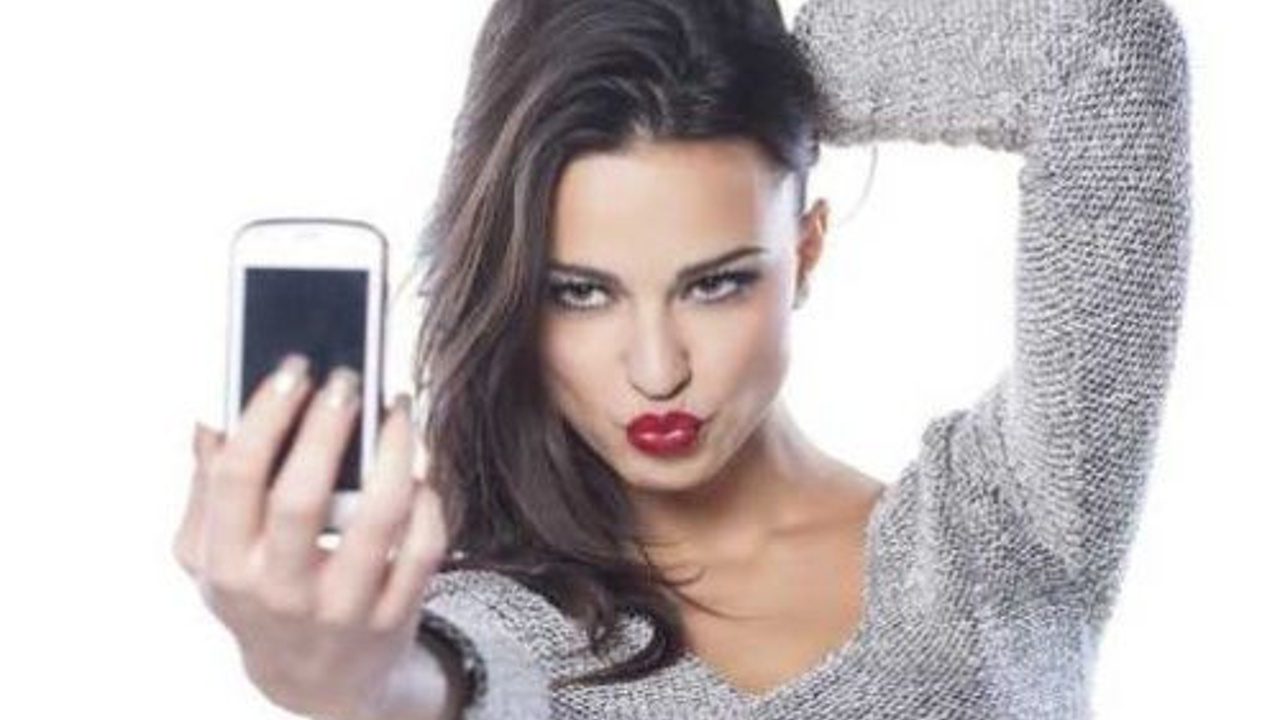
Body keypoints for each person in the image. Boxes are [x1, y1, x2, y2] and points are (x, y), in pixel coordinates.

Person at [174, 0, 1192, 718]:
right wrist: (362, 682)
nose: (657, 371)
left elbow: (1102, 49)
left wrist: (771, 73)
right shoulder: (483, 625)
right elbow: (446, 684)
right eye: (581, 291)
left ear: (804, 253)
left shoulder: (1005, 533)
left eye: (715, 283)